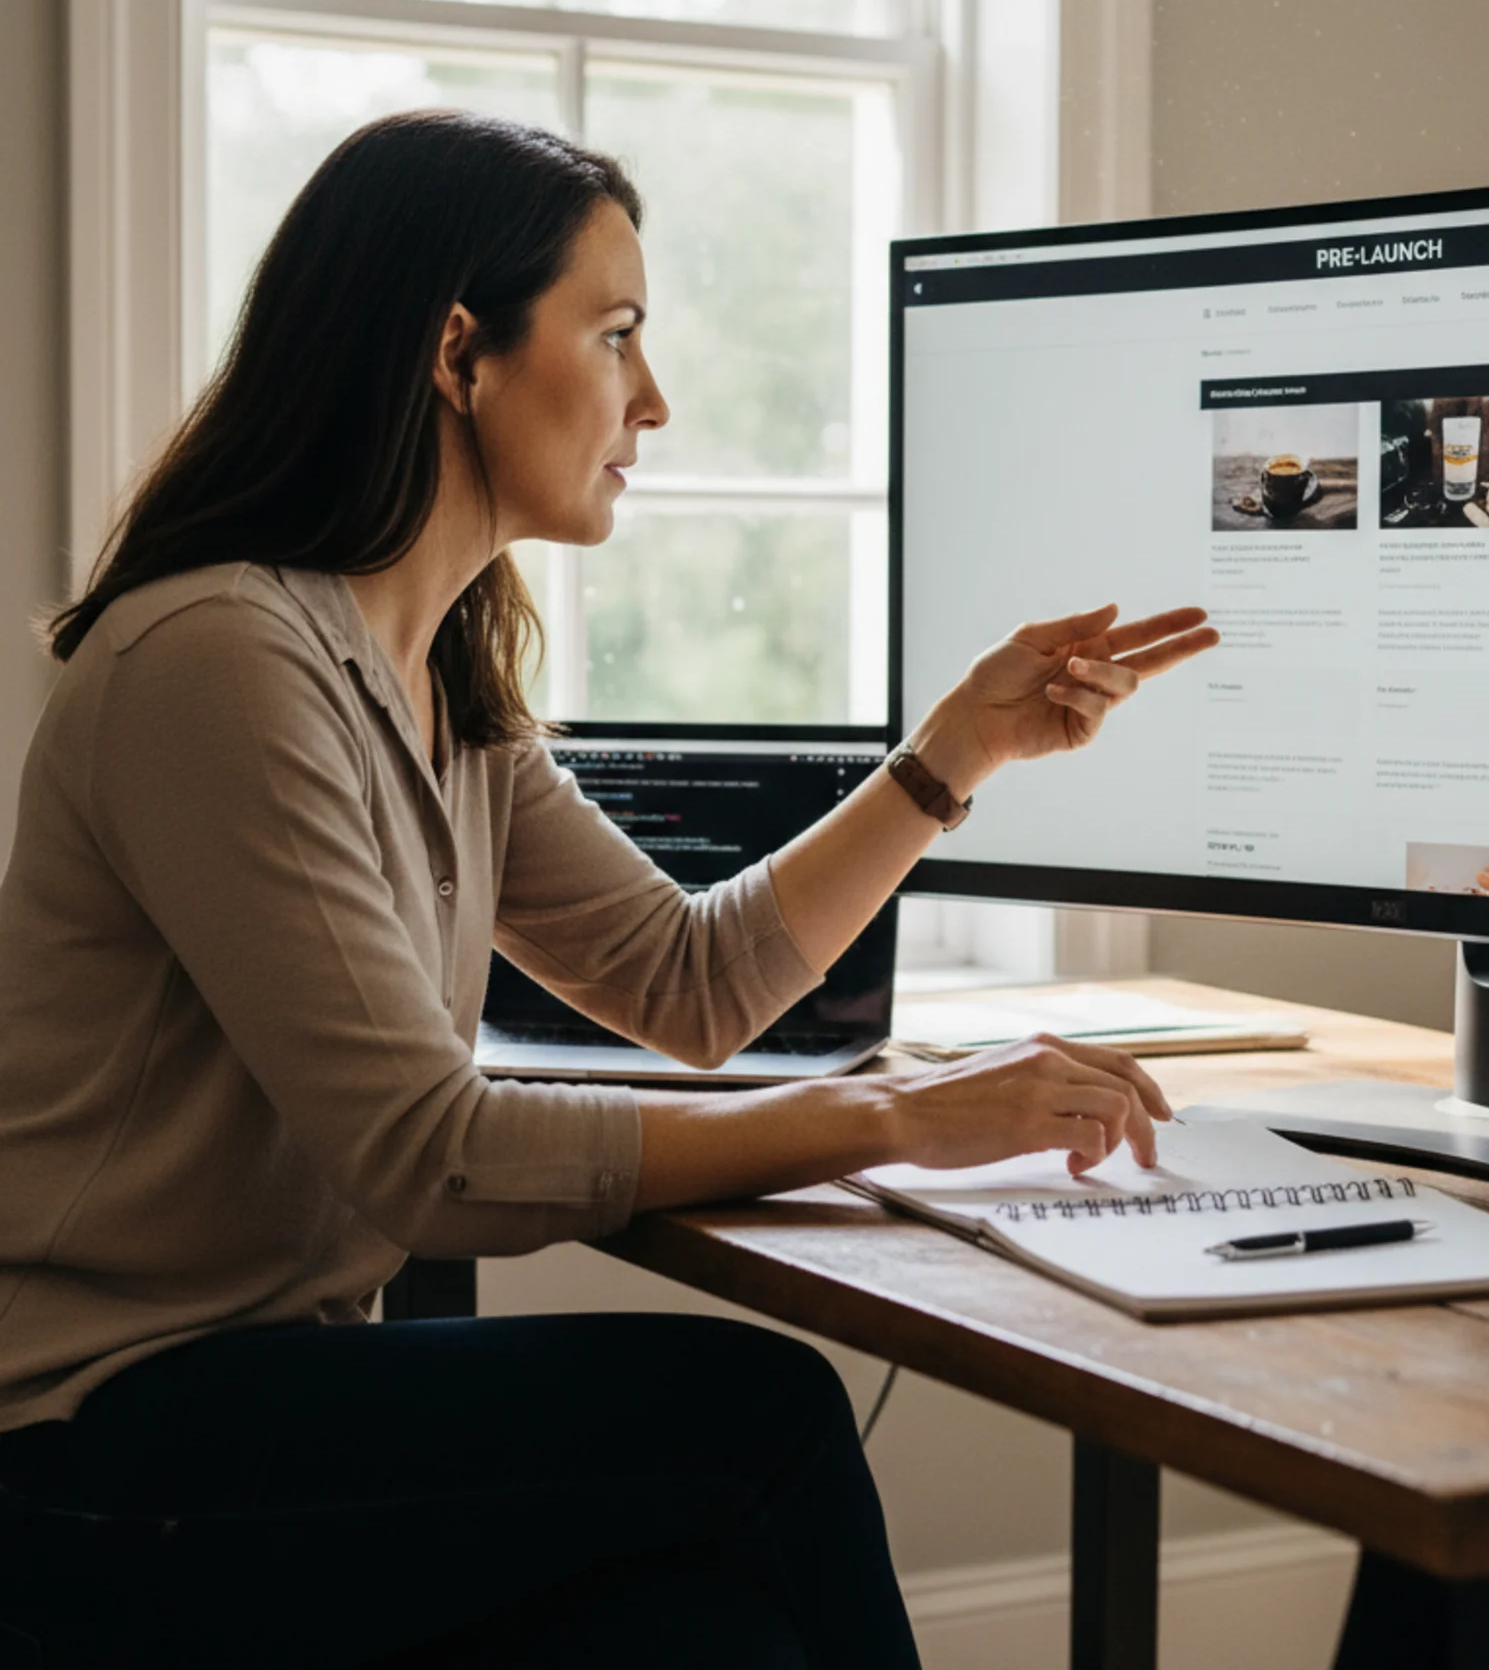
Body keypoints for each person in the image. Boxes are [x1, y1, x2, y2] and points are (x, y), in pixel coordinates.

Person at [0, 110, 1217, 1667]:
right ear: (460, 355)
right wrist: (896, 1116)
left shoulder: (436, 677)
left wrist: (947, 756)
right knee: (755, 1420)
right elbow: (429, 1159)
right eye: (618, 335)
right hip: (87, 1440)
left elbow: (690, 983)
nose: (654, 398)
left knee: (710, 1624)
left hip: (257, 1397)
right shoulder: (222, 658)